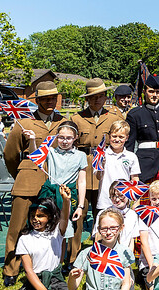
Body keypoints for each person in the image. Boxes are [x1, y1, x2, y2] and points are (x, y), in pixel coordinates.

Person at [2, 80, 66, 286]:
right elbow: (10, 154)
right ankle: (11, 269)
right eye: (45, 98)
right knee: (18, 225)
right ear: (37, 100)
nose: (50, 102)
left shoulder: (63, 122)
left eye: (53, 98)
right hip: (28, 179)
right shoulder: (25, 123)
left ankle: (51, 264)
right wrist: (21, 173)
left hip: (55, 178)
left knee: (53, 223)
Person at [7, 185, 82, 290]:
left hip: (56, 280)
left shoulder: (56, 232)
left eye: (41, 216)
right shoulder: (25, 239)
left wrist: (66, 201)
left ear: (50, 217)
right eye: (33, 216)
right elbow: (29, 270)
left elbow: (64, 218)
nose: (36, 219)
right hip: (37, 283)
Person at [72, 78, 122, 260]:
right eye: (93, 97)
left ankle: (102, 253)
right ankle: (74, 256)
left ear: (105, 97)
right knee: (79, 214)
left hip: (105, 170)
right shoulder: (77, 118)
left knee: (104, 214)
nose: (97, 100)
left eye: (101, 96)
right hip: (83, 168)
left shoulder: (114, 118)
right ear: (87, 99)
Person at [41, 121, 87, 260]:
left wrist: (80, 206)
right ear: (56, 137)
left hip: (67, 196)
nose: (64, 141)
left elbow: (82, 181)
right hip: (50, 194)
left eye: (68, 138)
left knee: (63, 229)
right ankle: (46, 261)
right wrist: (31, 140)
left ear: (75, 138)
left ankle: (59, 263)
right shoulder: (51, 152)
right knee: (46, 227)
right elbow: (34, 154)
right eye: (61, 137)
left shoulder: (80, 156)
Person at [125, 74, 159, 183]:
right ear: (144, 91)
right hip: (145, 164)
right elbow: (129, 145)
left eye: (158, 92)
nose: (155, 95)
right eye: (151, 91)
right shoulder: (135, 114)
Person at [95, 180, 152, 269]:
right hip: (106, 256)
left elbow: (131, 240)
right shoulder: (104, 213)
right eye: (113, 196)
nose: (117, 199)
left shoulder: (132, 215)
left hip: (124, 257)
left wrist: (128, 260)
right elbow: (98, 237)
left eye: (121, 195)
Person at [95, 120, 140, 219]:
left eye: (121, 137)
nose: (117, 139)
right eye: (114, 136)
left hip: (123, 200)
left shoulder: (131, 156)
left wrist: (136, 201)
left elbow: (135, 179)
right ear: (109, 136)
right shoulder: (102, 154)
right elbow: (98, 177)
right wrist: (101, 166)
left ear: (127, 138)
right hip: (105, 201)